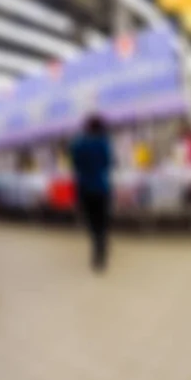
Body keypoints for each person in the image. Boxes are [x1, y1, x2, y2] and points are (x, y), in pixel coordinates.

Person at [70, 115, 113, 273]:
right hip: (101, 187)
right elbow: (108, 162)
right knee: (103, 220)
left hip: (84, 188)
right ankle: (102, 249)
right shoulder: (103, 142)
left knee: (92, 221)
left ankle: (96, 249)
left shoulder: (78, 144)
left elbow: (75, 164)